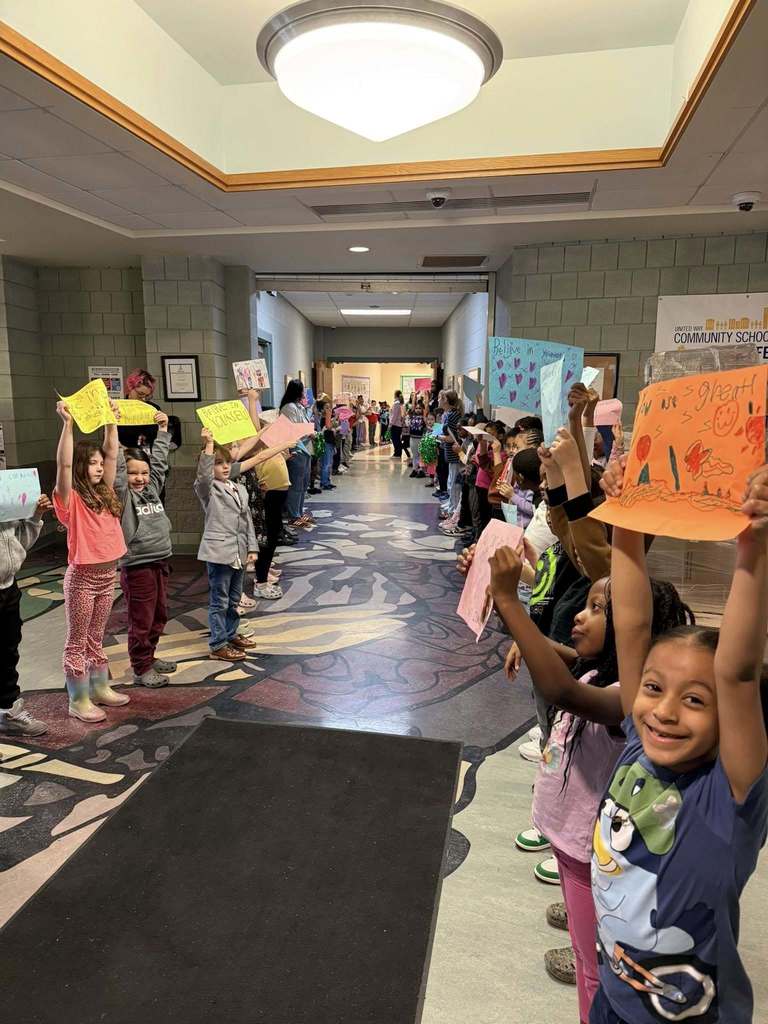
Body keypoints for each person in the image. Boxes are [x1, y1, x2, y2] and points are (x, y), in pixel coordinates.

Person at [54, 400, 130, 722]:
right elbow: (65, 467)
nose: (100, 467)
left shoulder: (106, 493)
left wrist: (111, 423)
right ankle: (79, 699)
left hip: (106, 576)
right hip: (82, 580)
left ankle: (100, 688)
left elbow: (113, 453)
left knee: (96, 637)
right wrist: (68, 425)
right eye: (93, 463)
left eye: (101, 463)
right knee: (77, 640)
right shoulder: (70, 499)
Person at [115, 409, 176, 688]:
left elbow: (160, 463)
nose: (139, 478)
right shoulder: (124, 496)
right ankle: (141, 666)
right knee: (141, 619)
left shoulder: (151, 488)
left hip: (160, 559)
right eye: (133, 473)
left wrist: (163, 432)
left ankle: (149, 656)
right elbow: (116, 470)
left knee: (159, 614)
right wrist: (112, 430)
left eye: (143, 472)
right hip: (137, 563)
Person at [194, 428, 259, 662]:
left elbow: (246, 519)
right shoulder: (208, 490)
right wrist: (209, 445)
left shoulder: (239, 488)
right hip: (220, 552)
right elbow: (203, 477)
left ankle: (231, 634)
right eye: (218, 463)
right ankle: (218, 643)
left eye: (227, 463)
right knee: (219, 600)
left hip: (239, 551)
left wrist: (252, 548)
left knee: (234, 599)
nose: (224, 467)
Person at [0, 493, 52, 736]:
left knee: (8, 652)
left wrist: (35, 516)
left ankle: (8, 711)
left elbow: (19, 543)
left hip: (8, 586)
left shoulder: (6, 496)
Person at [280, 379, 315, 529]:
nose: (304, 393)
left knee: (303, 483)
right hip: (296, 449)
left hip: (305, 449)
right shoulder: (288, 408)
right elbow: (292, 430)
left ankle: (299, 513)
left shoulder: (299, 407)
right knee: (296, 484)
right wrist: (308, 431)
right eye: (302, 390)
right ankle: (293, 515)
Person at [408, 401, 426, 478]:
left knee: (421, 455)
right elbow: (412, 407)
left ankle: (421, 470)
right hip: (412, 438)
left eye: (420, 408)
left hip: (420, 438)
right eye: (416, 408)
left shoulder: (424, 417)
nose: (418, 409)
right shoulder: (412, 416)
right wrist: (414, 396)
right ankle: (415, 469)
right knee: (414, 455)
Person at [390, 390, 404, 459]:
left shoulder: (396, 404)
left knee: (395, 439)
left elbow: (394, 415)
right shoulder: (400, 404)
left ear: (395, 395)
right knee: (397, 439)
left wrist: (391, 424)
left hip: (395, 425)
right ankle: (398, 453)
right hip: (398, 425)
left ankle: (397, 454)